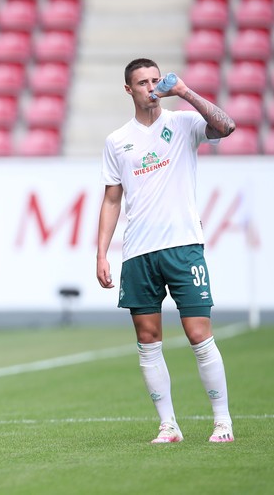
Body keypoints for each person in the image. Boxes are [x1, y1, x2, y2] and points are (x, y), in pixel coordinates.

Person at [96, 58, 236, 444]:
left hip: (182, 247)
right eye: (143, 82)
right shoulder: (116, 140)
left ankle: (222, 421)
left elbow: (227, 126)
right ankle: (168, 425)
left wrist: (186, 92)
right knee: (148, 338)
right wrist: (101, 253)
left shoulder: (183, 122)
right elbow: (111, 200)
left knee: (198, 333)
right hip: (139, 253)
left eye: (156, 80)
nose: (152, 87)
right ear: (129, 90)